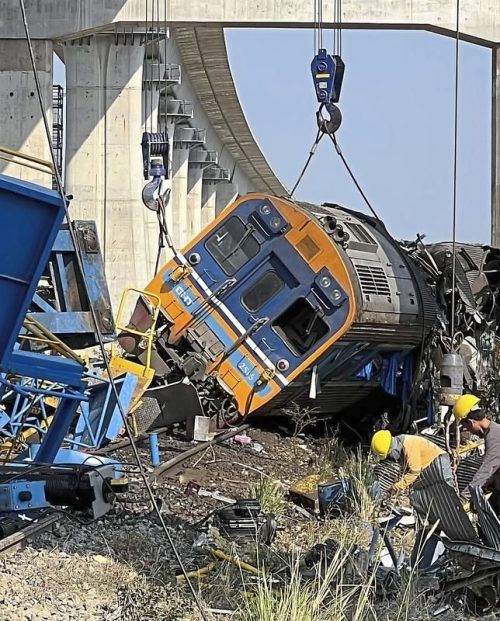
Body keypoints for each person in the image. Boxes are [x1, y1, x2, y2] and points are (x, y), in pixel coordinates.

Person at [454, 394, 500, 509]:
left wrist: (462, 498)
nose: (469, 431)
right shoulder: (494, 430)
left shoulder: (494, 437)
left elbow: (486, 470)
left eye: (467, 427)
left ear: (471, 422)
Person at [371, 429, 454, 493]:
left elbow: (414, 472)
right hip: (432, 467)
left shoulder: (409, 446)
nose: (390, 458)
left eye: (389, 455)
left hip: (440, 465)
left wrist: (396, 488)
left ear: (392, 449)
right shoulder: (401, 442)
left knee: (444, 495)